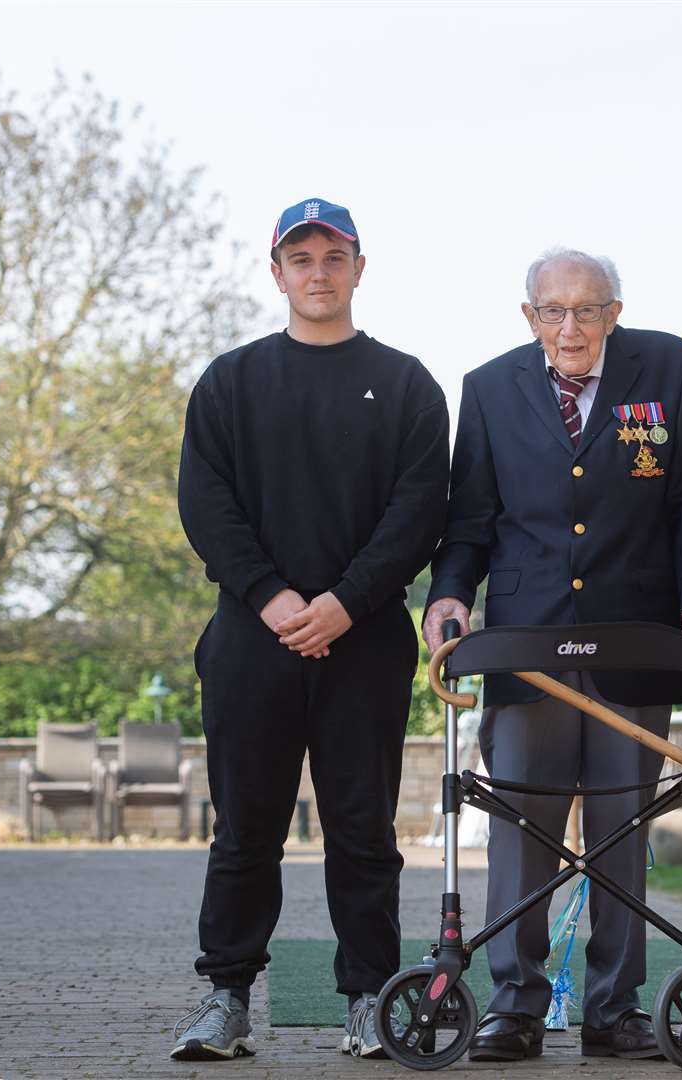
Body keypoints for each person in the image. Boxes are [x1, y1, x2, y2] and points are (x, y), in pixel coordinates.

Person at [423, 247, 682, 1062]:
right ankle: (514, 1006)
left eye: (587, 310)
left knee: (620, 826)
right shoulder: (487, 388)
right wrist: (448, 595)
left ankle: (613, 1008)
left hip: (635, 633)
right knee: (522, 822)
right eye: (552, 312)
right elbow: (470, 519)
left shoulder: (672, 369)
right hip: (526, 645)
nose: (570, 327)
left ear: (614, 312)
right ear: (529, 318)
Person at [171, 198, 450, 1062]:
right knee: (245, 828)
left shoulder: (406, 384)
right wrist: (271, 597)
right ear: (277, 272)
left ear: (359, 269)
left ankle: (367, 999)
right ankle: (226, 1000)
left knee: (363, 832)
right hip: (252, 640)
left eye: (335, 256)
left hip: (363, 641)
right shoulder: (230, 382)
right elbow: (204, 503)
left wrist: (344, 602)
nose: (319, 272)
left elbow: (419, 511)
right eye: (302, 258)